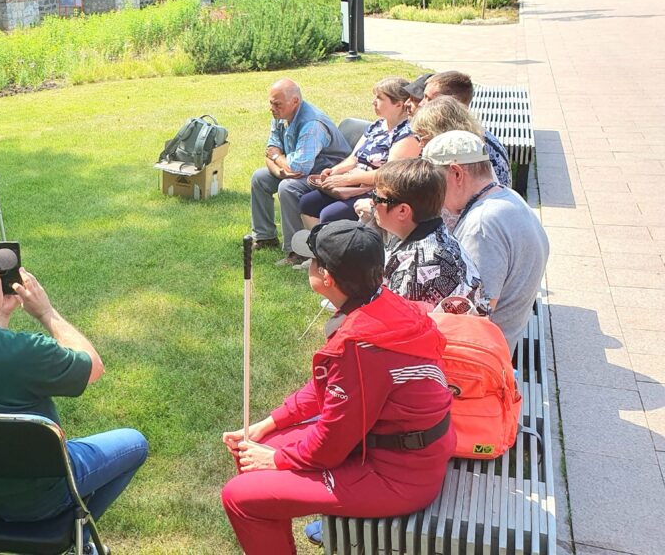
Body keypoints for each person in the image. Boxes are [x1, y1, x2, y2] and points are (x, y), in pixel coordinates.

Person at [220, 220, 454, 554]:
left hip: (399, 475)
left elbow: (332, 443)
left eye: (310, 259)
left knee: (239, 496)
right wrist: (268, 424)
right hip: (397, 451)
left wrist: (280, 459)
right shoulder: (380, 303)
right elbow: (326, 389)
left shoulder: (361, 347)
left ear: (327, 277)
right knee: (253, 448)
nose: (307, 265)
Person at [0, 239, 148, 553]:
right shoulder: (28, 352)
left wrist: (2, 315)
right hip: (44, 497)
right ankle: (78, 534)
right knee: (135, 442)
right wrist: (47, 313)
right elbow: (93, 367)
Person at [423, 131, 549, 355]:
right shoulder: (507, 196)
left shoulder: (481, 226)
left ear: (456, 173)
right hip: (495, 345)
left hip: (477, 360)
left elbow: (474, 314)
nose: (433, 193)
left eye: (433, 182)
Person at [297, 78, 421, 246]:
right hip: (351, 184)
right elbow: (354, 158)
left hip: (374, 190)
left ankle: (333, 257)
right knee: (307, 203)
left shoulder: (407, 134)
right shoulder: (377, 126)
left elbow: (389, 175)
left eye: (379, 98)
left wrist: (348, 179)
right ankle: (318, 251)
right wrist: (334, 172)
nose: (373, 102)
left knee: (330, 214)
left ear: (398, 104)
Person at [250, 78, 349, 266]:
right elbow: (270, 149)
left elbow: (297, 167)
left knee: (288, 188)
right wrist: (280, 171)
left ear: (294, 101)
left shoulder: (312, 123)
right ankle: (265, 237)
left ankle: (297, 250)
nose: (272, 108)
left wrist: (278, 160)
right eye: (271, 103)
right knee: (260, 178)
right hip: (298, 170)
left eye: (277, 104)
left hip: (326, 175)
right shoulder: (281, 116)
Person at [371, 158, 489, 312]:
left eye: (377, 198)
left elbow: (395, 324)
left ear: (402, 211)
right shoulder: (432, 233)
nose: (372, 202)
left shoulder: (420, 265)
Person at [421, 71, 512, 188]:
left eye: (429, 99)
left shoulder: (465, 144)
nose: (421, 104)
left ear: (452, 104)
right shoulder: (464, 131)